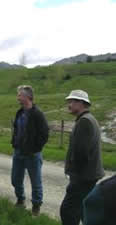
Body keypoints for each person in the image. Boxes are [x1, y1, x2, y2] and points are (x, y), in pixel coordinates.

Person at [60, 90, 105, 225]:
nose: (69, 104)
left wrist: (75, 176)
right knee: (82, 209)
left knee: (68, 211)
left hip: (83, 176)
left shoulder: (84, 122)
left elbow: (81, 153)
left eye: (72, 101)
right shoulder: (89, 119)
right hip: (88, 175)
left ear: (81, 103)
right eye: (69, 101)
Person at [11, 85, 49, 216]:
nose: (18, 98)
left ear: (27, 97)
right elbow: (17, 130)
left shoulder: (37, 114)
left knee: (36, 182)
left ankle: (36, 207)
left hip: (32, 154)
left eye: (19, 95)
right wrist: (15, 143)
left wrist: (35, 149)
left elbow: (44, 134)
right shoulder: (20, 112)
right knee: (15, 179)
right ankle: (20, 200)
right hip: (18, 152)